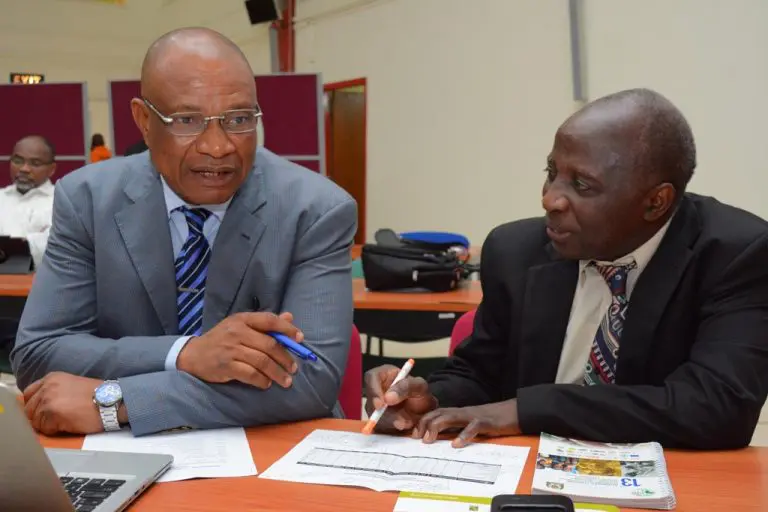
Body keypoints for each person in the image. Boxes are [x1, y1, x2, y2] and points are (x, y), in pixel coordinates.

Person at [364, 88, 768, 450]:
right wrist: (427, 401)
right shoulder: (516, 250)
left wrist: (528, 411)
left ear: (655, 202)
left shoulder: (734, 254)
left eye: (582, 185)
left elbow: (717, 406)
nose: (550, 199)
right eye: (551, 173)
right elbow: (481, 374)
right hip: (524, 478)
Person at [11, 27, 357, 437]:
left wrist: (119, 402)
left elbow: (311, 380)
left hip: (269, 447)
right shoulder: (88, 198)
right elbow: (38, 353)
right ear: (143, 120)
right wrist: (185, 353)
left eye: (239, 119)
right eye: (188, 121)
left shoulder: (315, 209)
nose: (218, 146)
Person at [0, 135, 56, 267]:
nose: (24, 169)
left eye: (35, 163)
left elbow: (60, 249)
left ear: (52, 169)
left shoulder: (64, 202)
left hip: (42, 278)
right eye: (18, 161)